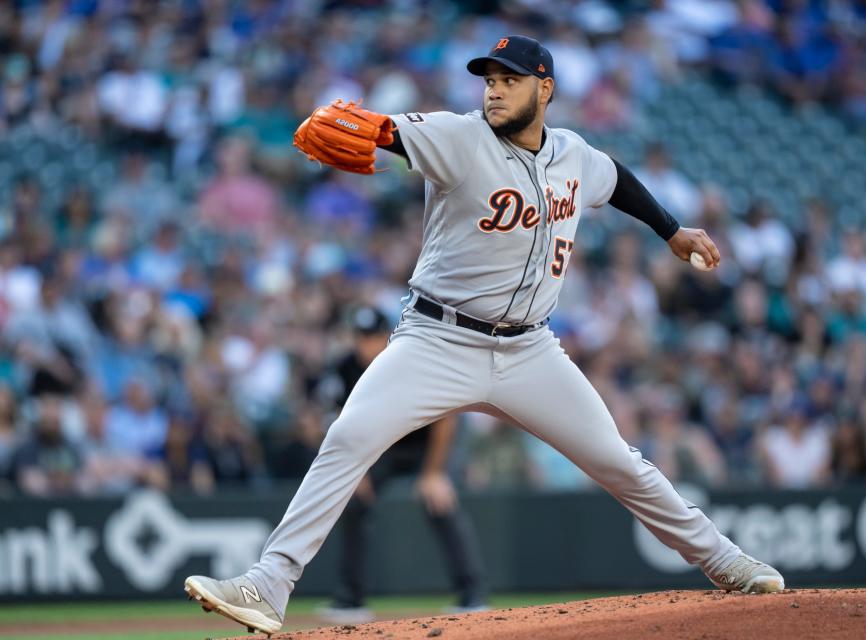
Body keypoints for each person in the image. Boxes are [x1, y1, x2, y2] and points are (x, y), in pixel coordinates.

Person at [184, 35, 784, 636]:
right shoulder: (458, 136)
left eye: (510, 79)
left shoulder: (573, 154)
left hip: (530, 350)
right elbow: (389, 133)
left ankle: (724, 561)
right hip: (437, 339)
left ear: (544, 88)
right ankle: (268, 584)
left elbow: (615, 178)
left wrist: (671, 230)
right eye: (489, 78)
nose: (494, 89)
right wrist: (371, 132)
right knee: (348, 438)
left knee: (618, 462)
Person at [317, 305, 487, 623]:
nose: (365, 344)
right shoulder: (345, 367)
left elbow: (445, 418)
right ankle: (351, 599)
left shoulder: (407, 361)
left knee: (440, 502)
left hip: (428, 444)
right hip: (385, 447)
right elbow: (340, 422)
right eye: (361, 337)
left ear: (386, 336)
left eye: (372, 337)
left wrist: (434, 473)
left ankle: (472, 594)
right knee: (353, 501)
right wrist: (357, 469)